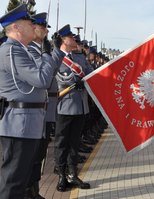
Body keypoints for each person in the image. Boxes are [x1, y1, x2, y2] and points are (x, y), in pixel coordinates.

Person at [0, 4, 61, 199]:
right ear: (16, 27)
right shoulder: (11, 50)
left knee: (22, 179)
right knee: (12, 182)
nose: (33, 26)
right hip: (18, 124)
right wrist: (45, 53)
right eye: (29, 22)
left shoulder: (22, 50)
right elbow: (42, 79)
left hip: (28, 123)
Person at [26, 12, 64, 199]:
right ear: (33, 27)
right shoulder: (30, 50)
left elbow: (52, 69)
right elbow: (46, 75)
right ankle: (28, 191)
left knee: (39, 154)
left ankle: (34, 191)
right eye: (43, 27)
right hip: (32, 112)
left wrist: (53, 50)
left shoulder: (39, 49)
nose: (46, 30)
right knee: (30, 158)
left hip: (43, 109)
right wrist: (50, 51)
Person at [54, 24, 90, 192]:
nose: (74, 39)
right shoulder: (56, 57)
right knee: (62, 143)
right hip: (65, 105)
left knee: (75, 143)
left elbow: (90, 73)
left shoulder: (80, 58)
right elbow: (55, 79)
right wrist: (71, 82)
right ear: (63, 40)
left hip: (80, 106)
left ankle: (73, 174)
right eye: (70, 37)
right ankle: (61, 175)